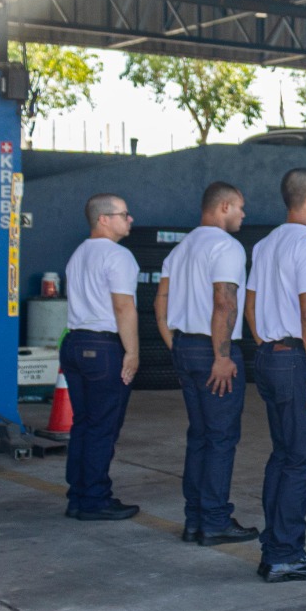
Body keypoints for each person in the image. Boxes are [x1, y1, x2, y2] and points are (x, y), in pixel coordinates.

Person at [245, 169, 306, 583]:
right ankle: (285, 553)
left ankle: (278, 544)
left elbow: (250, 303)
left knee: (283, 456)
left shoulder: (266, 244)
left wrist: (266, 341)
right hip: (298, 360)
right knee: (302, 458)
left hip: (270, 354)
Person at [155, 182, 256, 547]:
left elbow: (160, 304)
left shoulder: (181, 249)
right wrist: (222, 356)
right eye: (240, 207)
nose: (244, 215)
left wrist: (179, 345)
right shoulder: (225, 246)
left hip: (185, 345)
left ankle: (195, 518)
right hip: (213, 350)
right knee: (220, 438)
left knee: (199, 435)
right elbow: (225, 304)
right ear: (224, 206)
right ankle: (214, 520)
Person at [60, 194, 141, 521]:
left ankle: (78, 495)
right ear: (104, 219)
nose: (130, 219)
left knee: (84, 423)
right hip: (103, 347)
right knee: (102, 426)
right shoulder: (118, 256)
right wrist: (132, 352)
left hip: (75, 343)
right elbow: (123, 306)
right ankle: (94, 499)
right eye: (124, 214)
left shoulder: (78, 254)